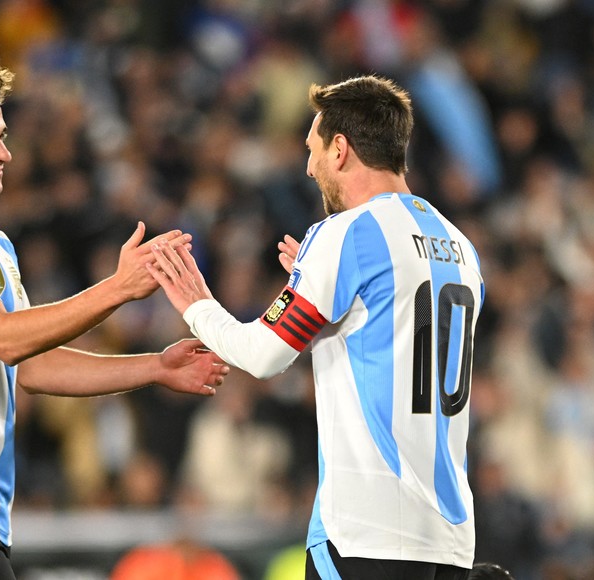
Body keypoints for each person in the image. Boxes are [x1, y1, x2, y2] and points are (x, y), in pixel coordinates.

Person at [0, 51, 229, 580]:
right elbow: (3, 338)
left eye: (2, 135)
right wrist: (119, 288)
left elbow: (30, 365)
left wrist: (154, 368)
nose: (4, 152)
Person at [148, 75, 484, 579]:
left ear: (341, 149)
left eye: (313, 148)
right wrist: (317, 292)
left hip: (366, 533)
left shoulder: (345, 233)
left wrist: (197, 305)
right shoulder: (461, 246)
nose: (308, 166)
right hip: (448, 542)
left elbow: (263, 355)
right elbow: (384, 334)